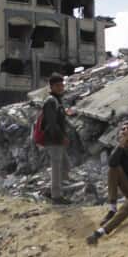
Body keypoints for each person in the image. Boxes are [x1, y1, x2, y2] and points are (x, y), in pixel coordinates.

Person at [40, 73, 76, 204]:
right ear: (51, 86)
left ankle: (51, 190)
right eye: (58, 85)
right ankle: (56, 196)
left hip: (58, 139)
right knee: (56, 167)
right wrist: (61, 137)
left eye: (62, 85)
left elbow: (58, 118)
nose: (61, 87)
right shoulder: (50, 101)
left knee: (66, 166)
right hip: (54, 140)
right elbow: (52, 124)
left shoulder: (57, 100)